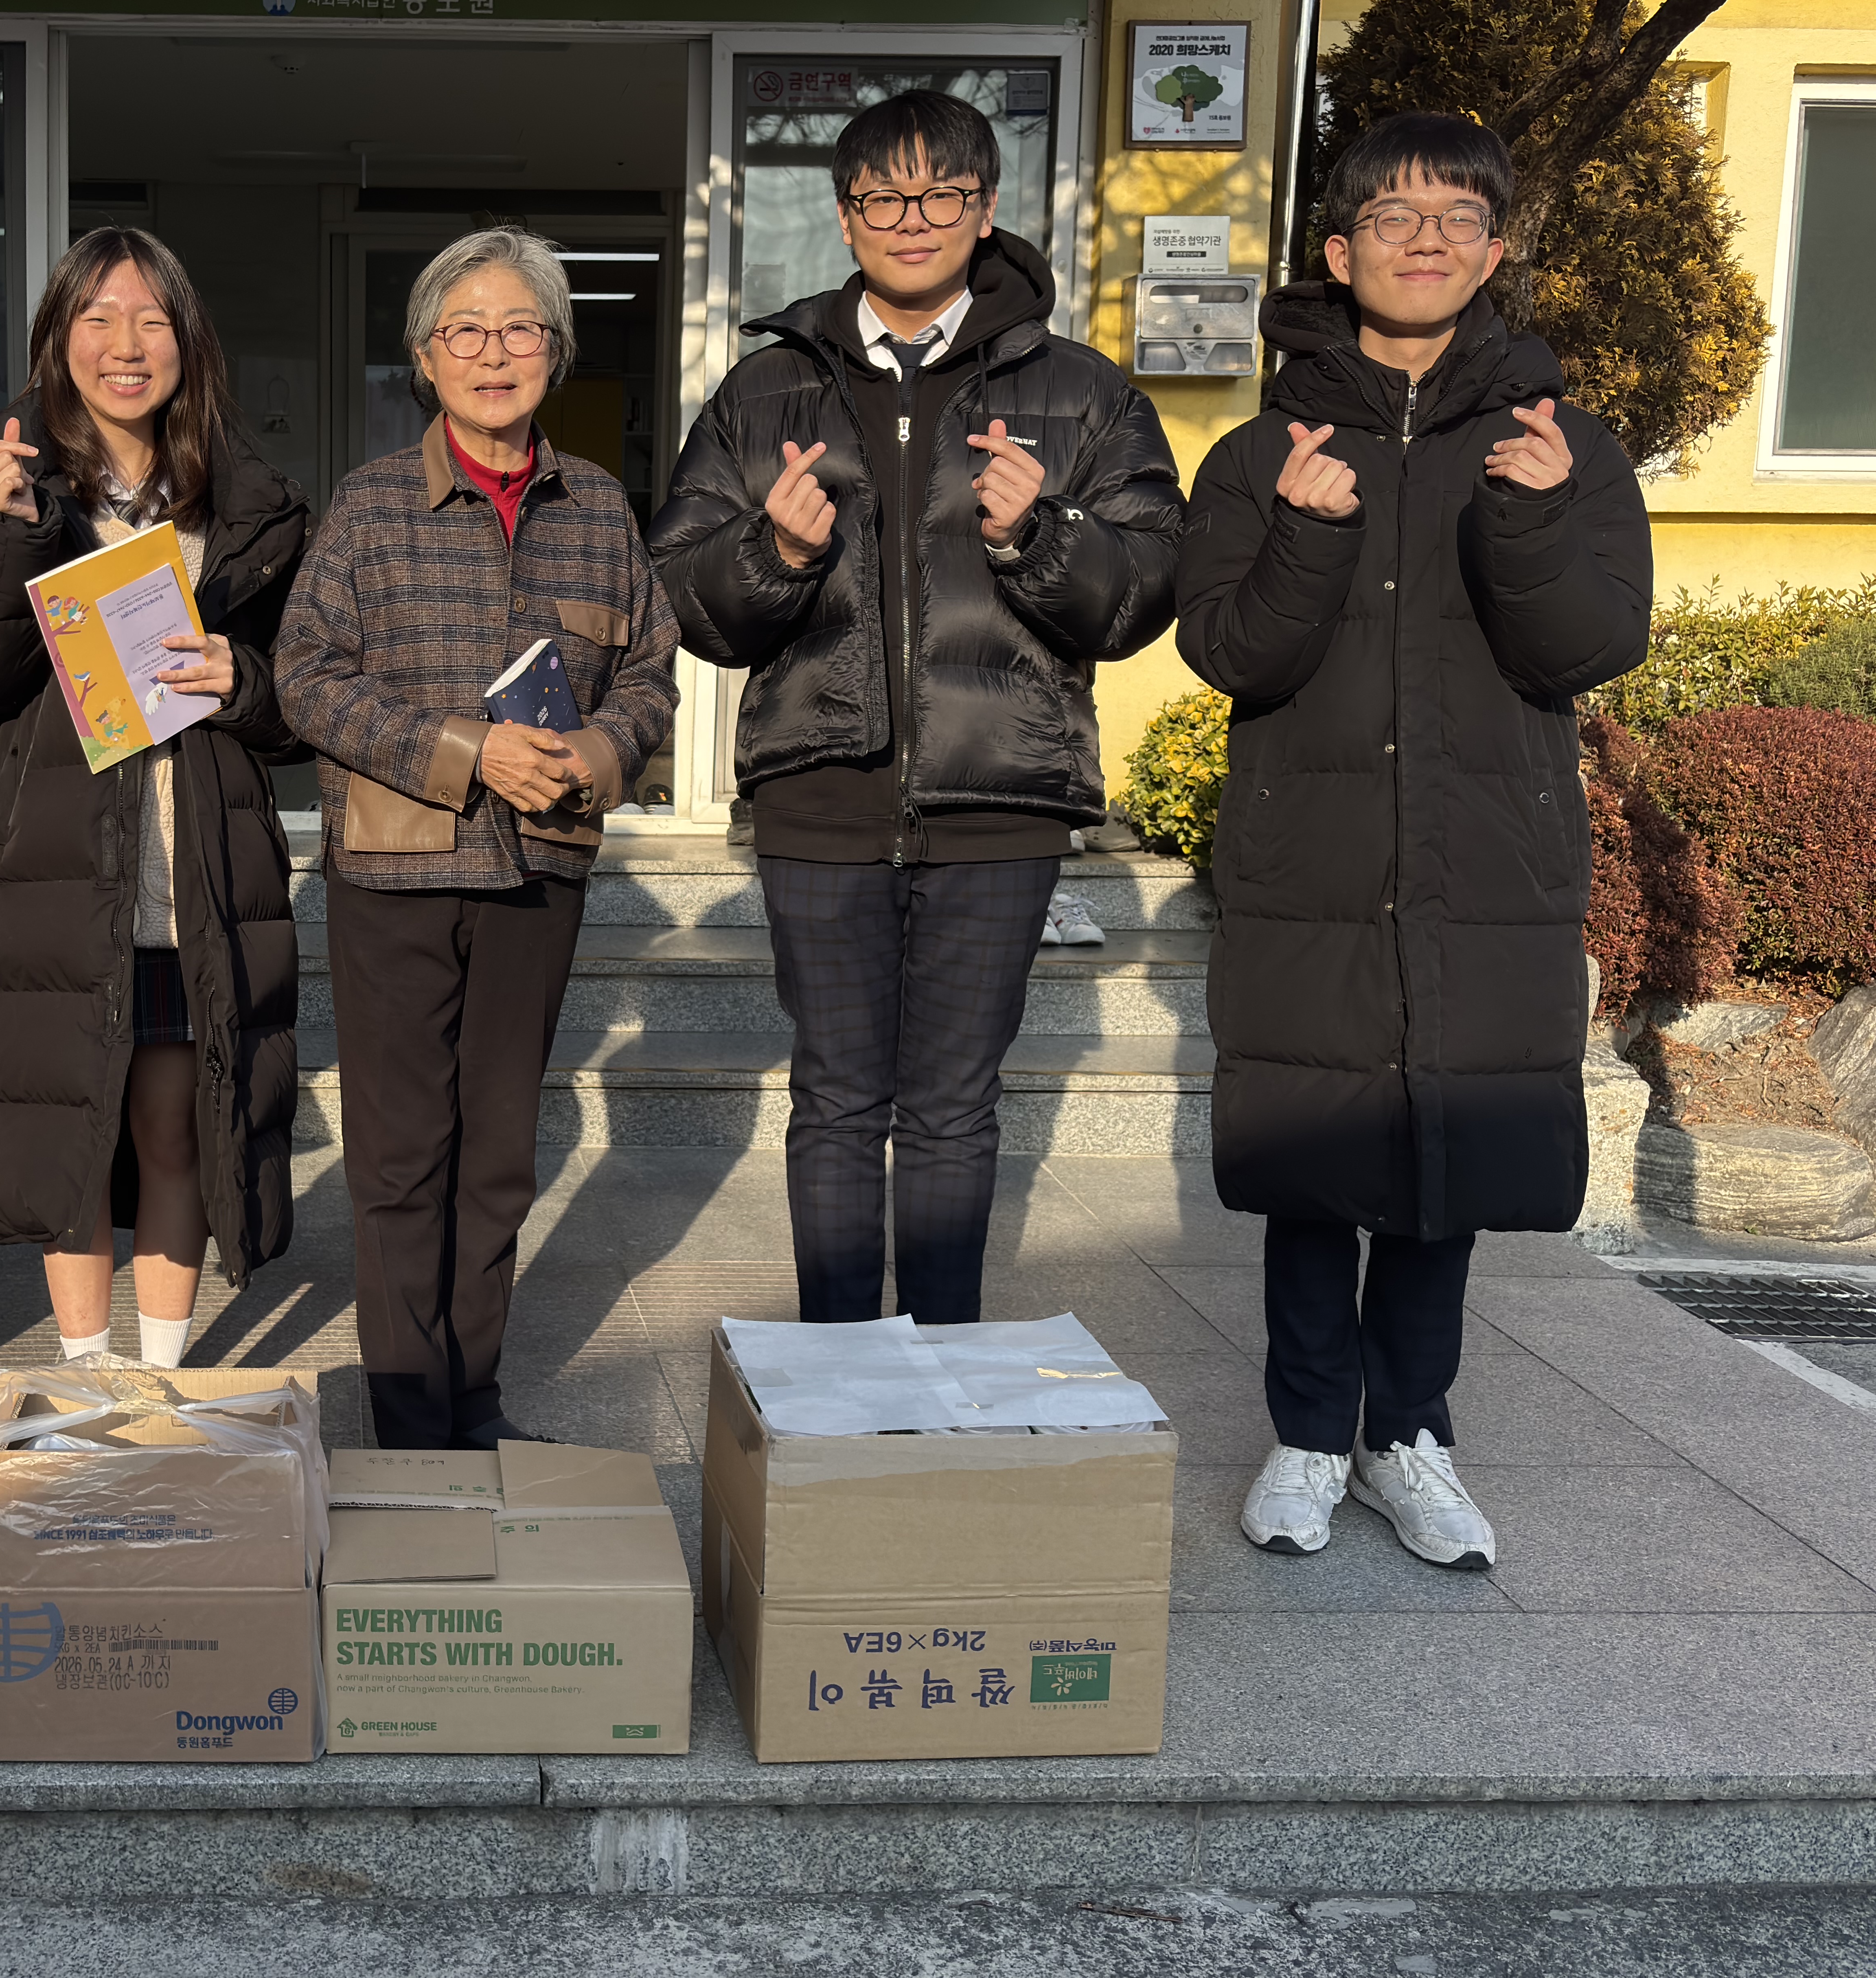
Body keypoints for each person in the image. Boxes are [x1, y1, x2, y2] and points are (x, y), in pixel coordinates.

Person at [1182, 113, 1650, 1570]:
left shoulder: (1562, 447)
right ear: (1340, 250)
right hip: (1312, 855)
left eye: (1459, 214)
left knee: (1444, 1148)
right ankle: (1314, 1433)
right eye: (1394, 215)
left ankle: (1413, 1434)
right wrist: (1308, 532)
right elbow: (1230, 652)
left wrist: (1526, 519)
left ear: (1496, 251)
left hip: (1483, 854)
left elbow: (1589, 643)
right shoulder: (1264, 450)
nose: (1428, 235)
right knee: (1321, 1145)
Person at [648, 90, 1183, 1330]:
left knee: (952, 1102)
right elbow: (684, 598)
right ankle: (837, 1371)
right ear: (846, 218)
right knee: (835, 1096)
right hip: (819, 794)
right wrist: (772, 556)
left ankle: (942, 1370)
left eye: (942, 193)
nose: (913, 218)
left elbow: (1146, 589)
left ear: (987, 210)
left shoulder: (1083, 393)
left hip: (999, 798)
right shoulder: (769, 390)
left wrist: (1041, 536)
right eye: (884, 196)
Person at [276, 227, 679, 1449]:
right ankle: (410, 1406)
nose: (493, 353)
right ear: (424, 357)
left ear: (555, 351)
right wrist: (466, 750)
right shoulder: (370, 505)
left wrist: (601, 756)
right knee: (403, 1155)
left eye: (519, 329)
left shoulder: (601, 506)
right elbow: (304, 676)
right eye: (467, 330)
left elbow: (652, 675)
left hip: (538, 867)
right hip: (395, 867)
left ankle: (476, 1392)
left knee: (500, 1151)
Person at [0, 229, 311, 1367]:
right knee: (75, 1141)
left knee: (175, 1127)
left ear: (189, 343)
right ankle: (91, 1373)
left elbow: (306, 701)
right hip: (53, 875)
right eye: (96, 319)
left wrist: (247, 683)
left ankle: (162, 1378)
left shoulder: (248, 507)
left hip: (191, 882)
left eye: (151, 320)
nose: (125, 345)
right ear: (58, 342)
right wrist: (6, 534)